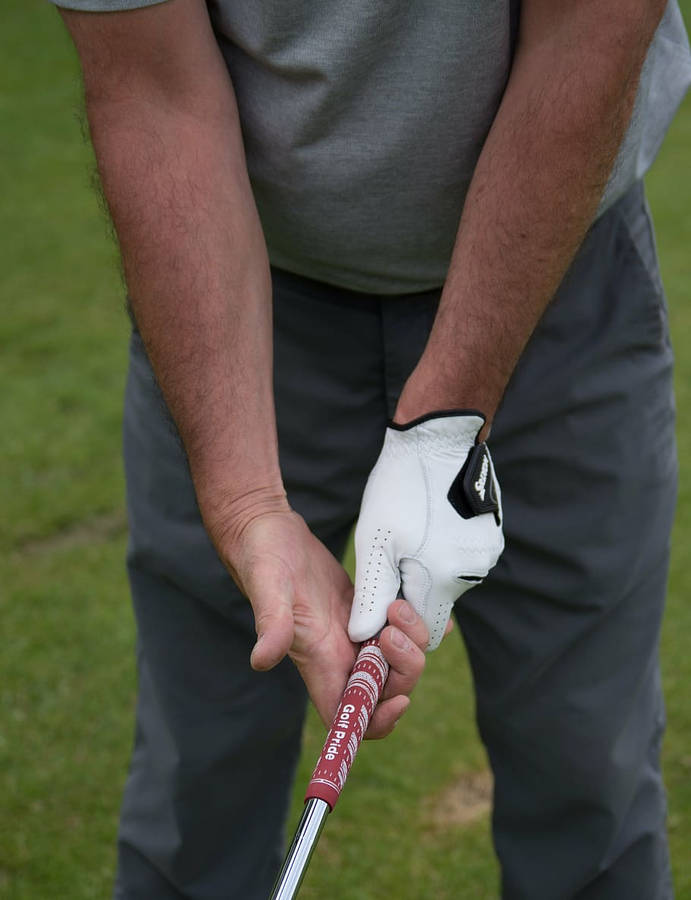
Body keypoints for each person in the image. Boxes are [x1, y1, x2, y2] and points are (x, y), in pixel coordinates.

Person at [52, 0, 690, 897]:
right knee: (197, 781)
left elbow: (588, 35)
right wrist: (246, 507)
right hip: (235, 302)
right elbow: (153, 94)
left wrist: (442, 422)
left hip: (557, 271)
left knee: (588, 777)